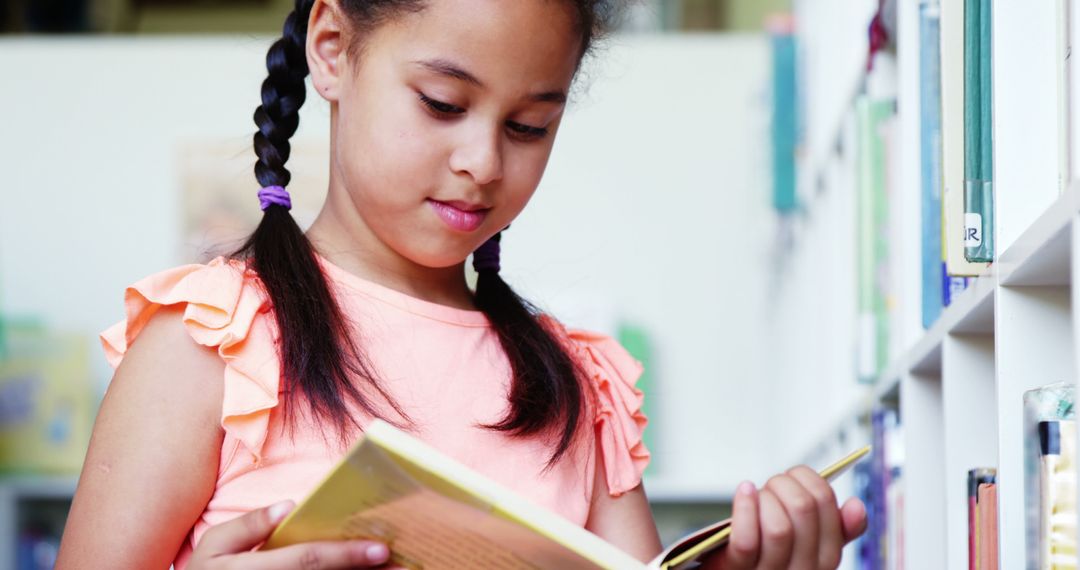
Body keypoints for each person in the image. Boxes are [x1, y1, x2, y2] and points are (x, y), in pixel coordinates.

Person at [55, 1, 867, 568]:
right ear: (332, 48)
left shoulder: (579, 387)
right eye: (443, 104)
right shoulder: (211, 341)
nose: (483, 162)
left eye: (528, 127)